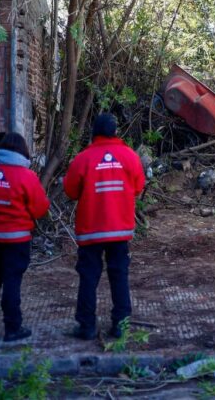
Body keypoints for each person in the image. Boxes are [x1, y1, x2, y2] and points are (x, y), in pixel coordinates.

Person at [64, 113, 145, 340]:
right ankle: (121, 325)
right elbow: (138, 187)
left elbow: (70, 191)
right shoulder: (129, 156)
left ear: (94, 132)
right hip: (120, 229)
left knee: (88, 276)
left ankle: (87, 326)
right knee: (119, 275)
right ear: (115, 132)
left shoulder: (83, 159)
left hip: (91, 229)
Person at [0, 132, 49, 342]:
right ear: (22, 151)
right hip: (16, 240)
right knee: (12, 282)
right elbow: (40, 207)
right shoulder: (27, 176)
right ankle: (12, 327)